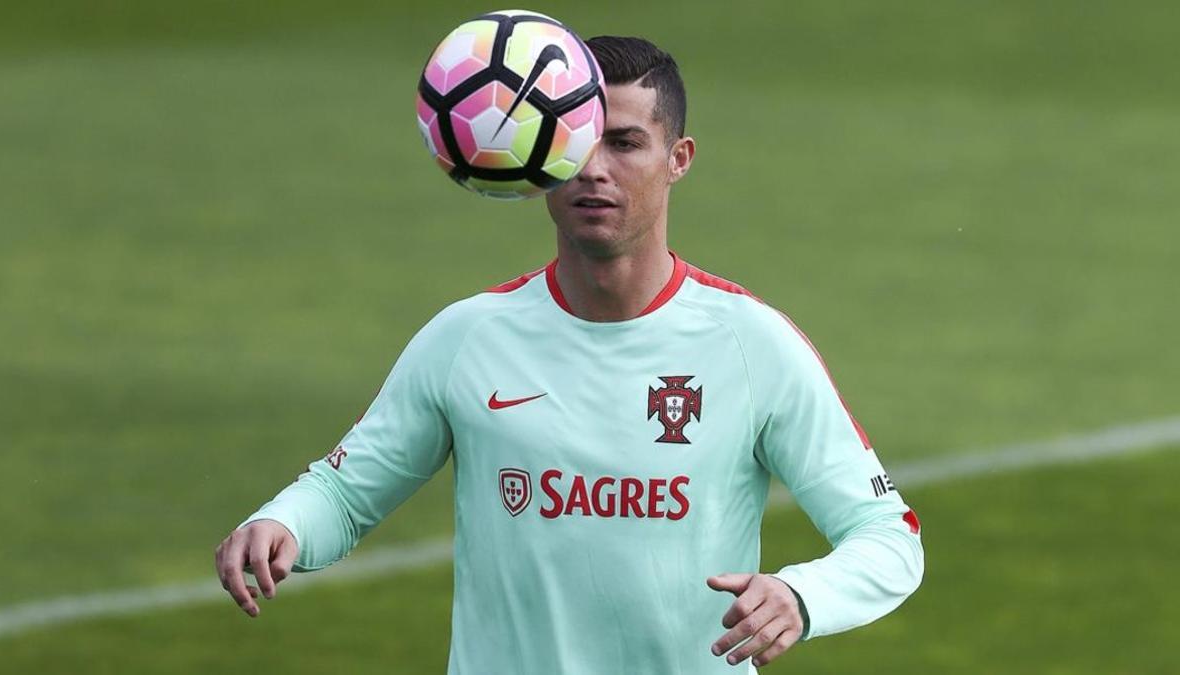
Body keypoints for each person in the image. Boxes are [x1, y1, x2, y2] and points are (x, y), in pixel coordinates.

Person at [215, 35, 923, 673]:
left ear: (679, 159)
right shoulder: (467, 339)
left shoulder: (751, 345)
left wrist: (801, 595)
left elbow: (889, 538)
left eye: (624, 143)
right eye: (575, 141)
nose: (593, 168)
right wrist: (283, 522)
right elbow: (342, 493)